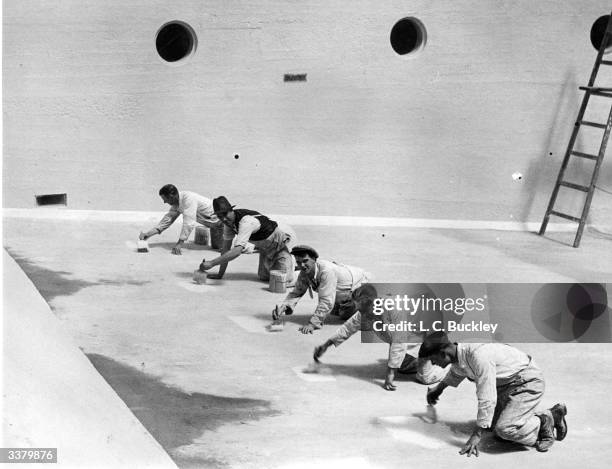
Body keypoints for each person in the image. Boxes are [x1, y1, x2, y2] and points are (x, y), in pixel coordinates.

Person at [419, 332, 568, 456]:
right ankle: (550, 415)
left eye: (433, 359)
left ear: (443, 353)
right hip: (506, 385)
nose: (433, 364)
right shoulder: (459, 352)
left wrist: (476, 435)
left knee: (505, 430)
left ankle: (545, 420)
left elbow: (487, 397)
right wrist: (437, 390)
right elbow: (457, 371)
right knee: (491, 425)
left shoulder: (478, 356)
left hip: (527, 382)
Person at [313, 284, 448, 389]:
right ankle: (429, 358)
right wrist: (326, 345)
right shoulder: (365, 310)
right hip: (412, 333)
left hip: (431, 327)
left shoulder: (394, 308)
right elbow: (349, 327)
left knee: (425, 377)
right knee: (402, 366)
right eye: (359, 309)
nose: (362, 314)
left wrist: (390, 374)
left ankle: (449, 363)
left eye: (364, 309)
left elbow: (398, 340)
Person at [273, 245, 369, 334]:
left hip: (360, 285)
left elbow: (326, 301)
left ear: (314, 259)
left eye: (305, 261)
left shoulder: (327, 271)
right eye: (298, 262)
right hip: (343, 286)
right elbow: (297, 292)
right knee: (337, 310)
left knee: (345, 312)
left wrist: (313, 324)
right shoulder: (305, 272)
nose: (302, 265)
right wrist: (284, 306)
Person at [198, 196, 296, 281]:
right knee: (264, 277)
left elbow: (237, 251)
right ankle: (284, 264)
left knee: (283, 281)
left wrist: (212, 263)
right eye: (220, 216)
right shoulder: (228, 223)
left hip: (281, 242)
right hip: (265, 247)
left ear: (231, 210)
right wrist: (220, 274)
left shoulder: (246, 222)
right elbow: (225, 249)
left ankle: (292, 261)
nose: (223, 219)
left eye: (225, 214)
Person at [139, 184, 220, 255]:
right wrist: (148, 234)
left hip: (221, 221)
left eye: (165, 199)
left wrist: (179, 244)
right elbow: (167, 221)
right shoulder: (176, 203)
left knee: (221, 249)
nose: (164, 202)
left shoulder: (188, 199)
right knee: (216, 247)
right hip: (212, 224)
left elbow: (188, 223)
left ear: (171, 196)